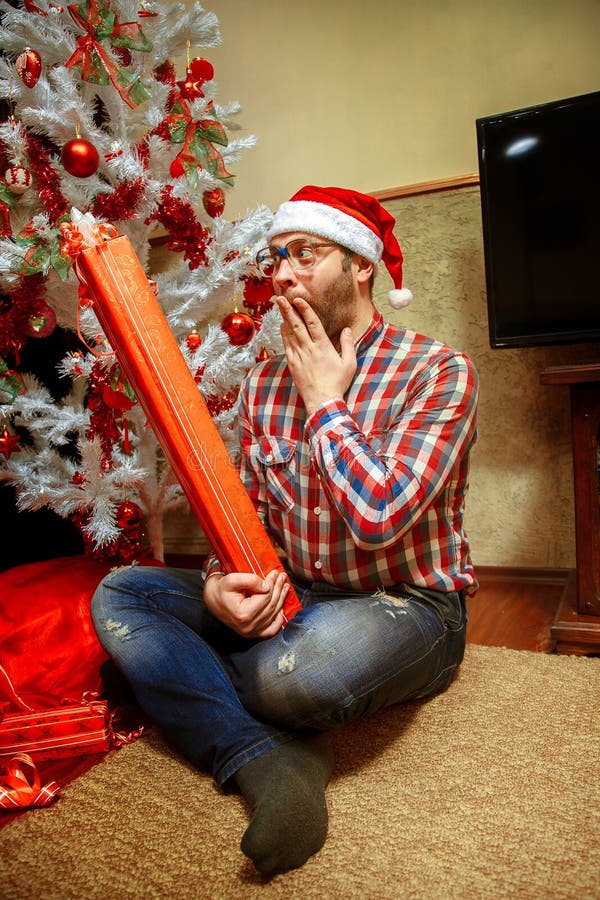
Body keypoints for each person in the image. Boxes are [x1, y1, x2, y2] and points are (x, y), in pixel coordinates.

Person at [91, 185, 479, 876]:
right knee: (124, 595)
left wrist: (327, 405)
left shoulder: (439, 371)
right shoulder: (261, 383)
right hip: (293, 590)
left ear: (361, 264)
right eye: (277, 257)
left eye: (306, 254)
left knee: (288, 677)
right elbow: (243, 516)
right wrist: (217, 586)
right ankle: (267, 757)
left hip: (407, 602)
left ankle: (228, 701)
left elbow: (379, 520)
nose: (283, 274)